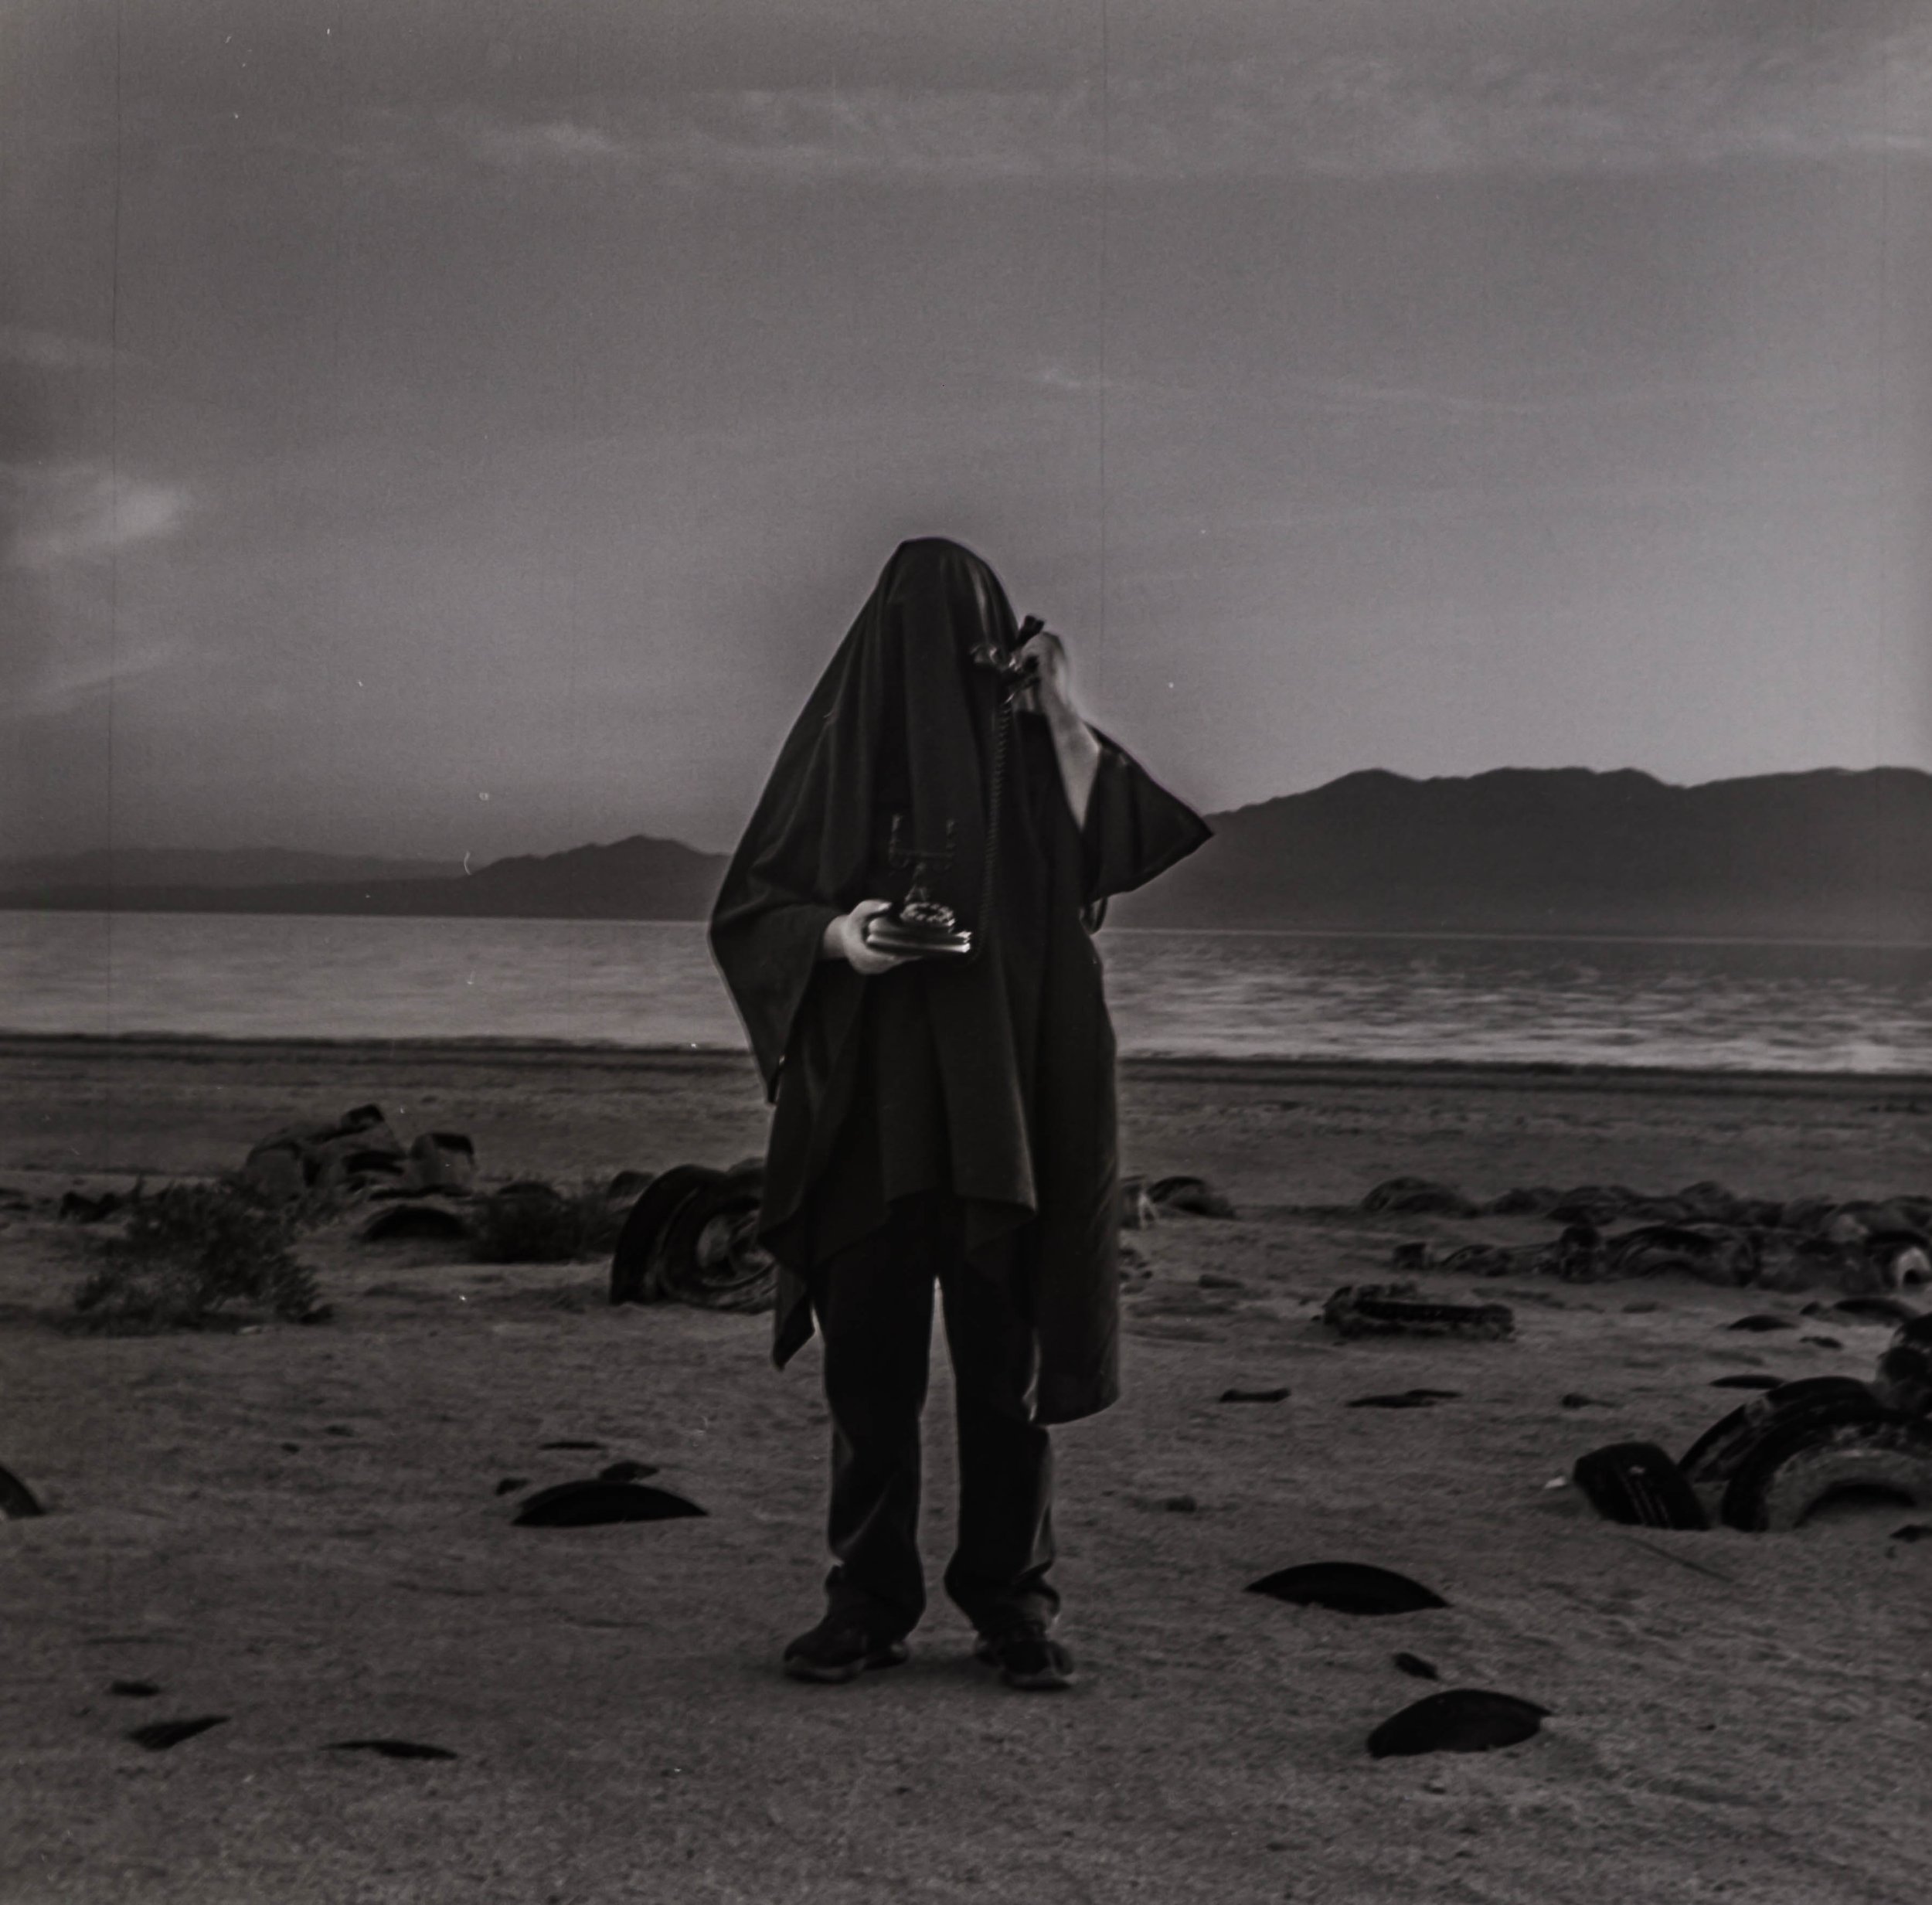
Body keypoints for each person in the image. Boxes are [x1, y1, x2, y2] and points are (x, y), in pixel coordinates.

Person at [708, 536, 1209, 1691]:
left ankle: (1012, 1602)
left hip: (1005, 1110)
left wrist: (1063, 713)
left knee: (1004, 1370)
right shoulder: (836, 756)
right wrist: (843, 936)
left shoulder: (1030, 758)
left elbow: (1130, 843)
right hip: (869, 1116)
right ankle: (867, 1601)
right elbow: (753, 909)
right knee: (869, 1374)